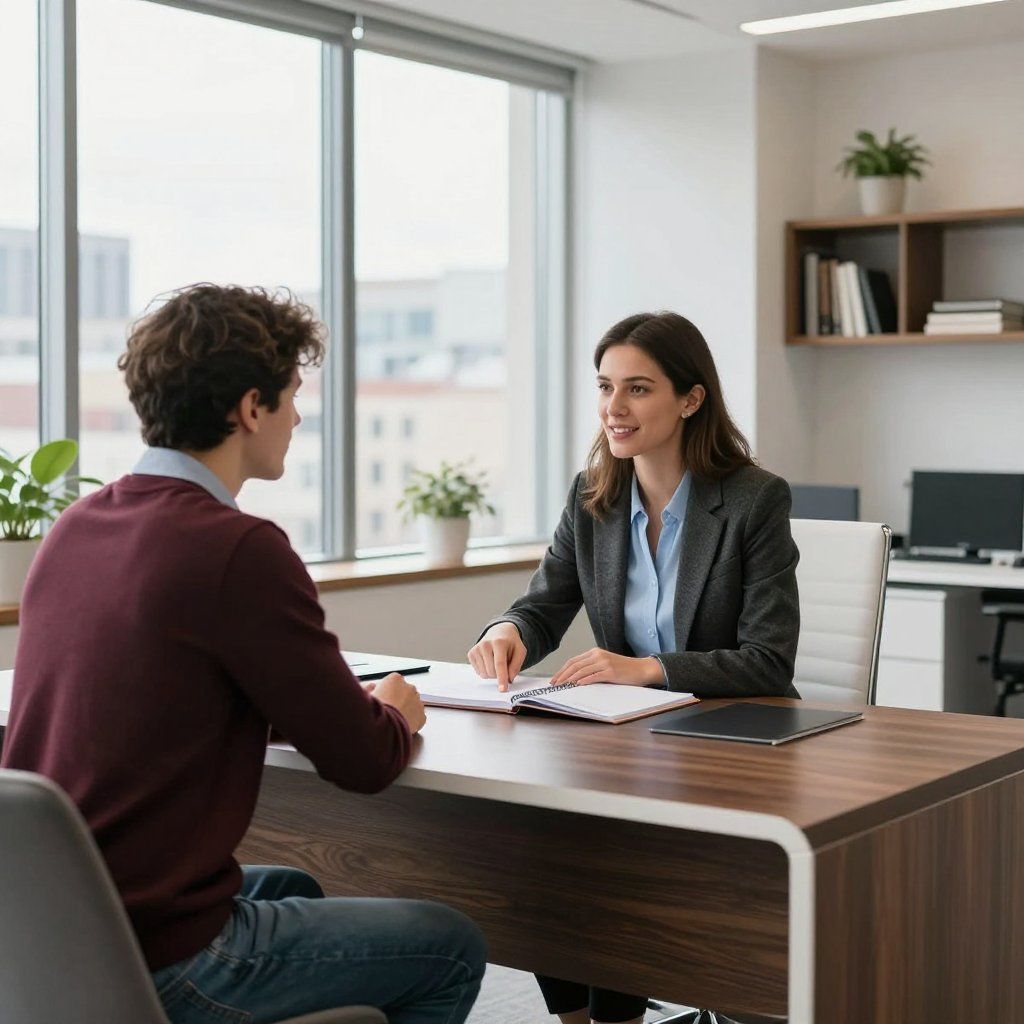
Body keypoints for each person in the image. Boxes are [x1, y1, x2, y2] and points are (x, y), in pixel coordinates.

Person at [2, 283, 486, 1024]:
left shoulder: (78, 524)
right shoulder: (238, 549)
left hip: (57, 930)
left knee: (291, 886)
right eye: (291, 395)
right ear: (249, 408)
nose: (297, 417)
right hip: (167, 955)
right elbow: (362, 762)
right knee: (450, 944)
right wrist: (393, 713)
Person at [467, 310, 800, 1024]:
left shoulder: (752, 500)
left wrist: (648, 668)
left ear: (690, 399)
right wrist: (507, 631)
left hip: (730, 749)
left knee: (611, 858)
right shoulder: (593, 497)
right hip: (628, 746)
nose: (614, 409)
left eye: (638, 389)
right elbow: (543, 605)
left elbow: (768, 662)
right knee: (538, 848)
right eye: (605, 386)